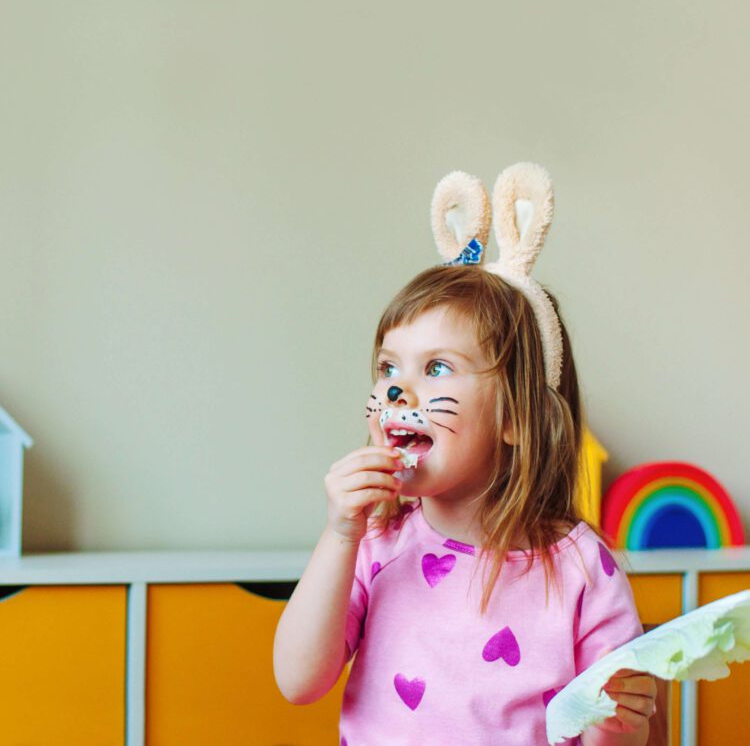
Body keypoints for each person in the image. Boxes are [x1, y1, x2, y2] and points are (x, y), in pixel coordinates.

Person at [273, 167, 656, 745]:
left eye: (437, 368)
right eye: (387, 368)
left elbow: (617, 739)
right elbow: (298, 680)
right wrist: (339, 533)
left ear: (514, 418)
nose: (397, 391)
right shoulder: (376, 545)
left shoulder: (582, 570)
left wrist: (619, 722)